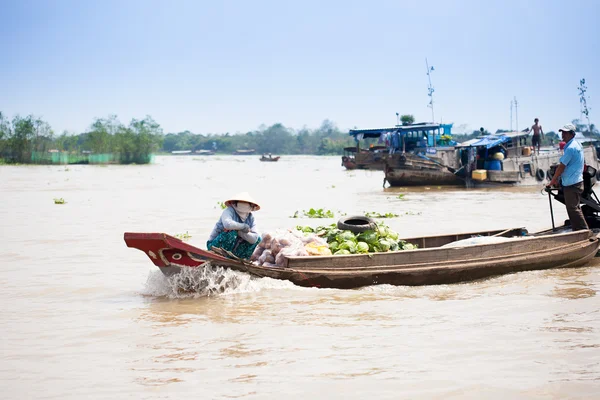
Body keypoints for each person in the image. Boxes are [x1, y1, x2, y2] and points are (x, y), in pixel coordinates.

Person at [546, 124, 588, 231]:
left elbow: (561, 167)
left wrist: (552, 181)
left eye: (565, 133)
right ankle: (578, 230)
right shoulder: (576, 144)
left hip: (572, 184)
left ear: (572, 134)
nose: (563, 135)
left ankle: (584, 231)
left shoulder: (571, 148)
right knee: (575, 208)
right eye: (562, 132)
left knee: (573, 209)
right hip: (575, 181)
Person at [207, 192, 261, 258]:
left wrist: (239, 232)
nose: (243, 205)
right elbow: (228, 224)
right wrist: (243, 226)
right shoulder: (229, 211)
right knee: (232, 233)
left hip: (234, 249)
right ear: (234, 203)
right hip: (214, 245)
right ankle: (222, 256)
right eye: (241, 202)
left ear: (251, 206)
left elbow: (254, 238)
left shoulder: (251, 218)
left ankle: (241, 258)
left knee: (259, 239)